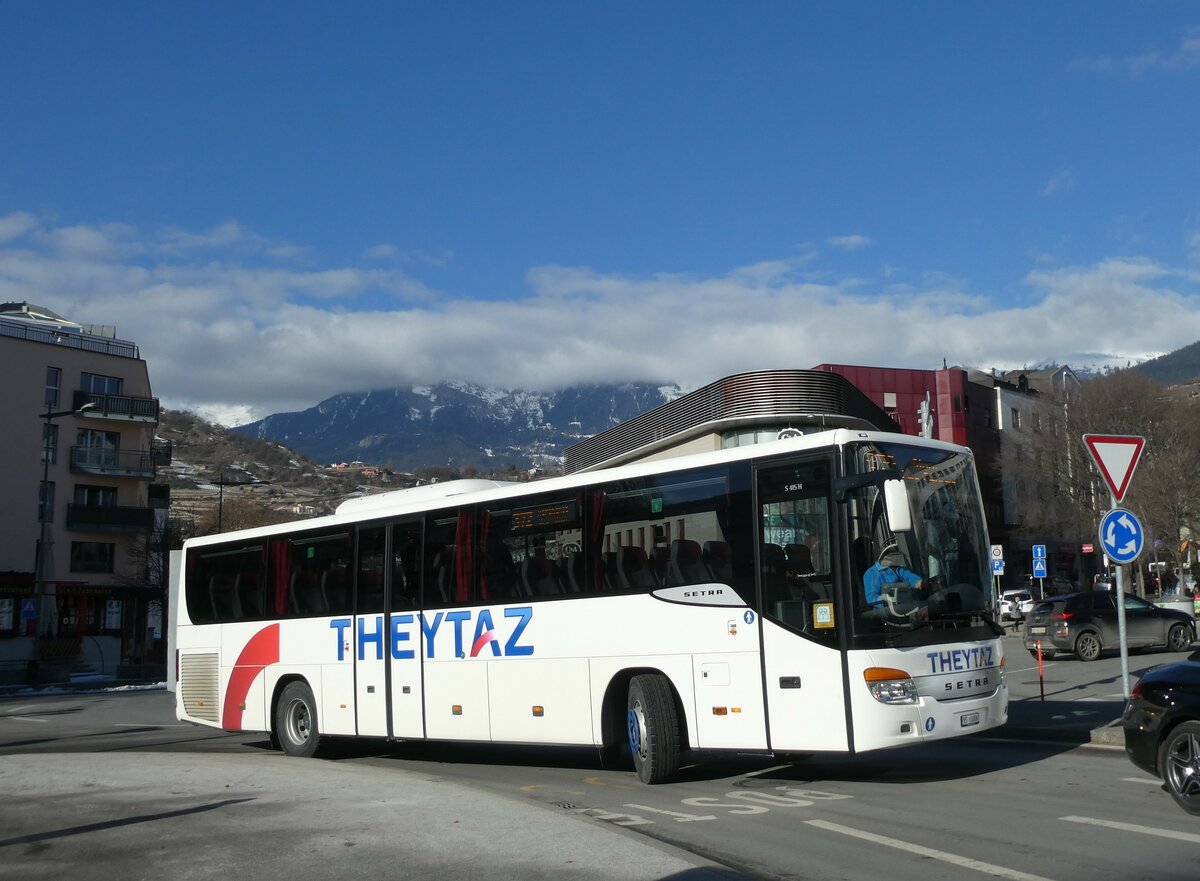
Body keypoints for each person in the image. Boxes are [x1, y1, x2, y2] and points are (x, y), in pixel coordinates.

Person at [863, 541, 923, 609]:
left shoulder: (896, 569)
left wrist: (917, 582)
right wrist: (885, 600)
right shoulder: (871, 573)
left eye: (895, 554)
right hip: (885, 613)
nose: (893, 558)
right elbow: (872, 598)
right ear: (882, 556)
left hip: (904, 607)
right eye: (890, 554)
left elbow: (907, 575)